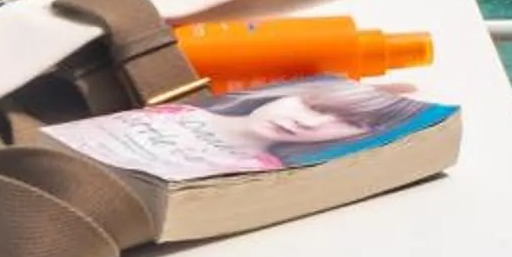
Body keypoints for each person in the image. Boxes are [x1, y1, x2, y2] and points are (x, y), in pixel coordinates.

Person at [186, 78, 440, 170]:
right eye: (314, 106)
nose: (308, 122)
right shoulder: (183, 108)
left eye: (351, 122)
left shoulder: (254, 173)